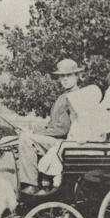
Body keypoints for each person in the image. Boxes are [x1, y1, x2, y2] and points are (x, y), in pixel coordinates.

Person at [18, 59, 84, 194]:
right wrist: (33, 129)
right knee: (12, 141)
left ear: (76, 76)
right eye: (62, 76)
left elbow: (62, 129)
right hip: (57, 141)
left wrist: (34, 132)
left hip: (63, 143)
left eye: (69, 75)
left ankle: (31, 185)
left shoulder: (75, 97)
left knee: (26, 139)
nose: (65, 79)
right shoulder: (64, 96)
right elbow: (53, 124)